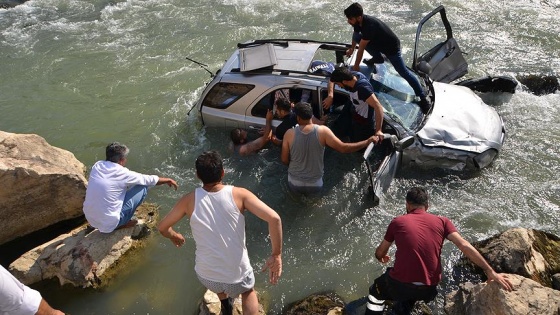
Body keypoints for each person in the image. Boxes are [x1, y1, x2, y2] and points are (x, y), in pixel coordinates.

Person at [158, 151, 282, 315]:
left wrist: (174, 235)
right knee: (248, 291)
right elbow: (274, 219)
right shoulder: (239, 194)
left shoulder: (188, 200)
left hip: (207, 277)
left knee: (219, 282)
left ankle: (225, 305)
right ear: (223, 172)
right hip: (237, 277)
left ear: (197, 175)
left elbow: (162, 227)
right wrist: (276, 255)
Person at [364, 187, 513, 314]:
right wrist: (489, 271)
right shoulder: (443, 221)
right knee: (414, 287)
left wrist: (382, 257)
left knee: (375, 291)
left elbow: (379, 253)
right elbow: (464, 245)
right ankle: (406, 305)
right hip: (429, 289)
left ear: (408, 205)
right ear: (427, 207)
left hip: (400, 285)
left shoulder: (398, 221)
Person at [344, 2, 430, 113]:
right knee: (358, 37)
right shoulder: (358, 23)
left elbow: (361, 49)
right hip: (378, 42)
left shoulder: (369, 26)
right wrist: (351, 49)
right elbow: (355, 36)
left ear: (359, 17)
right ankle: (378, 58)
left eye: (350, 19)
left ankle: (422, 97)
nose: (348, 21)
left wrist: (356, 66)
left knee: (403, 72)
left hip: (392, 49)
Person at [281, 102, 380, 194]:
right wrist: (367, 142)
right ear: (311, 116)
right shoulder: (323, 132)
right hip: (314, 184)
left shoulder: (289, 133)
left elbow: (284, 160)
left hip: (294, 182)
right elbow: (343, 148)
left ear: (298, 118)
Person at [83, 142, 178, 233]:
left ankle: (105, 221)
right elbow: (148, 180)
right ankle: (121, 224)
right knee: (142, 187)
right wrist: (167, 180)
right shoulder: (122, 173)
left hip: (90, 218)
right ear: (121, 160)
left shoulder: (97, 165)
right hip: (109, 224)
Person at [329, 66, 384, 143]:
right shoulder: (353, 75)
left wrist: (378, 130)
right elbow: (331, 80)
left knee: (358, 143)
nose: (339, 86)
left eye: (338, 84)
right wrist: (330, 95)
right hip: (354, 110)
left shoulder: (362, 89)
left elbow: (378, 106)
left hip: (364, 122)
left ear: (344, 81)